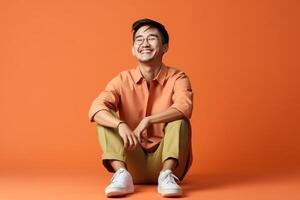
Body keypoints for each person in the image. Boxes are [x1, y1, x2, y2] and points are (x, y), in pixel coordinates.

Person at [88, 18, 193, 197]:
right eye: (139, 40)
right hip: (131, 159)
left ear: (165, 47)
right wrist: (120, 125)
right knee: (105, 118)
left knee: (179, 119)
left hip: (168, 160)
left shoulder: (178, 77)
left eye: (151, 38)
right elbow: (96, 107)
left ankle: (166, 176)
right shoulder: (122, 79)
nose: (144, 43)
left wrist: (149, 120)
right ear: (133, 49)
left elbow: (185, 106)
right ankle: (121, 175)